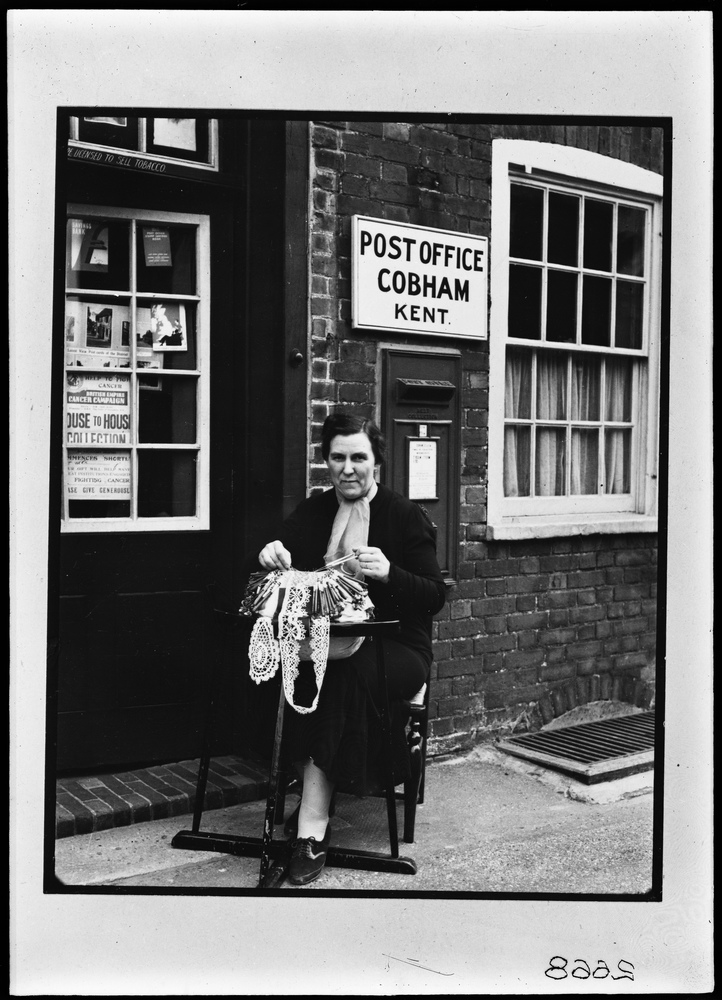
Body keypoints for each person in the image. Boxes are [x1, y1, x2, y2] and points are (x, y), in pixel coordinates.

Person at [252, 411, 446, 885]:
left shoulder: (403, 515)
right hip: (337, 642)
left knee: (334, 675)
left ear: (376, 461)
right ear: (325, 462)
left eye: (359, 457)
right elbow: (274, 561)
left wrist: (390, 575)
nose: (348, 468)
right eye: (337, 458)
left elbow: (435, 596)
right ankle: (317, 780)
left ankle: (312, 827)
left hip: (399, 646)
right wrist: (268, 553)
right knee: (289, 664)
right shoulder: (315, 511)